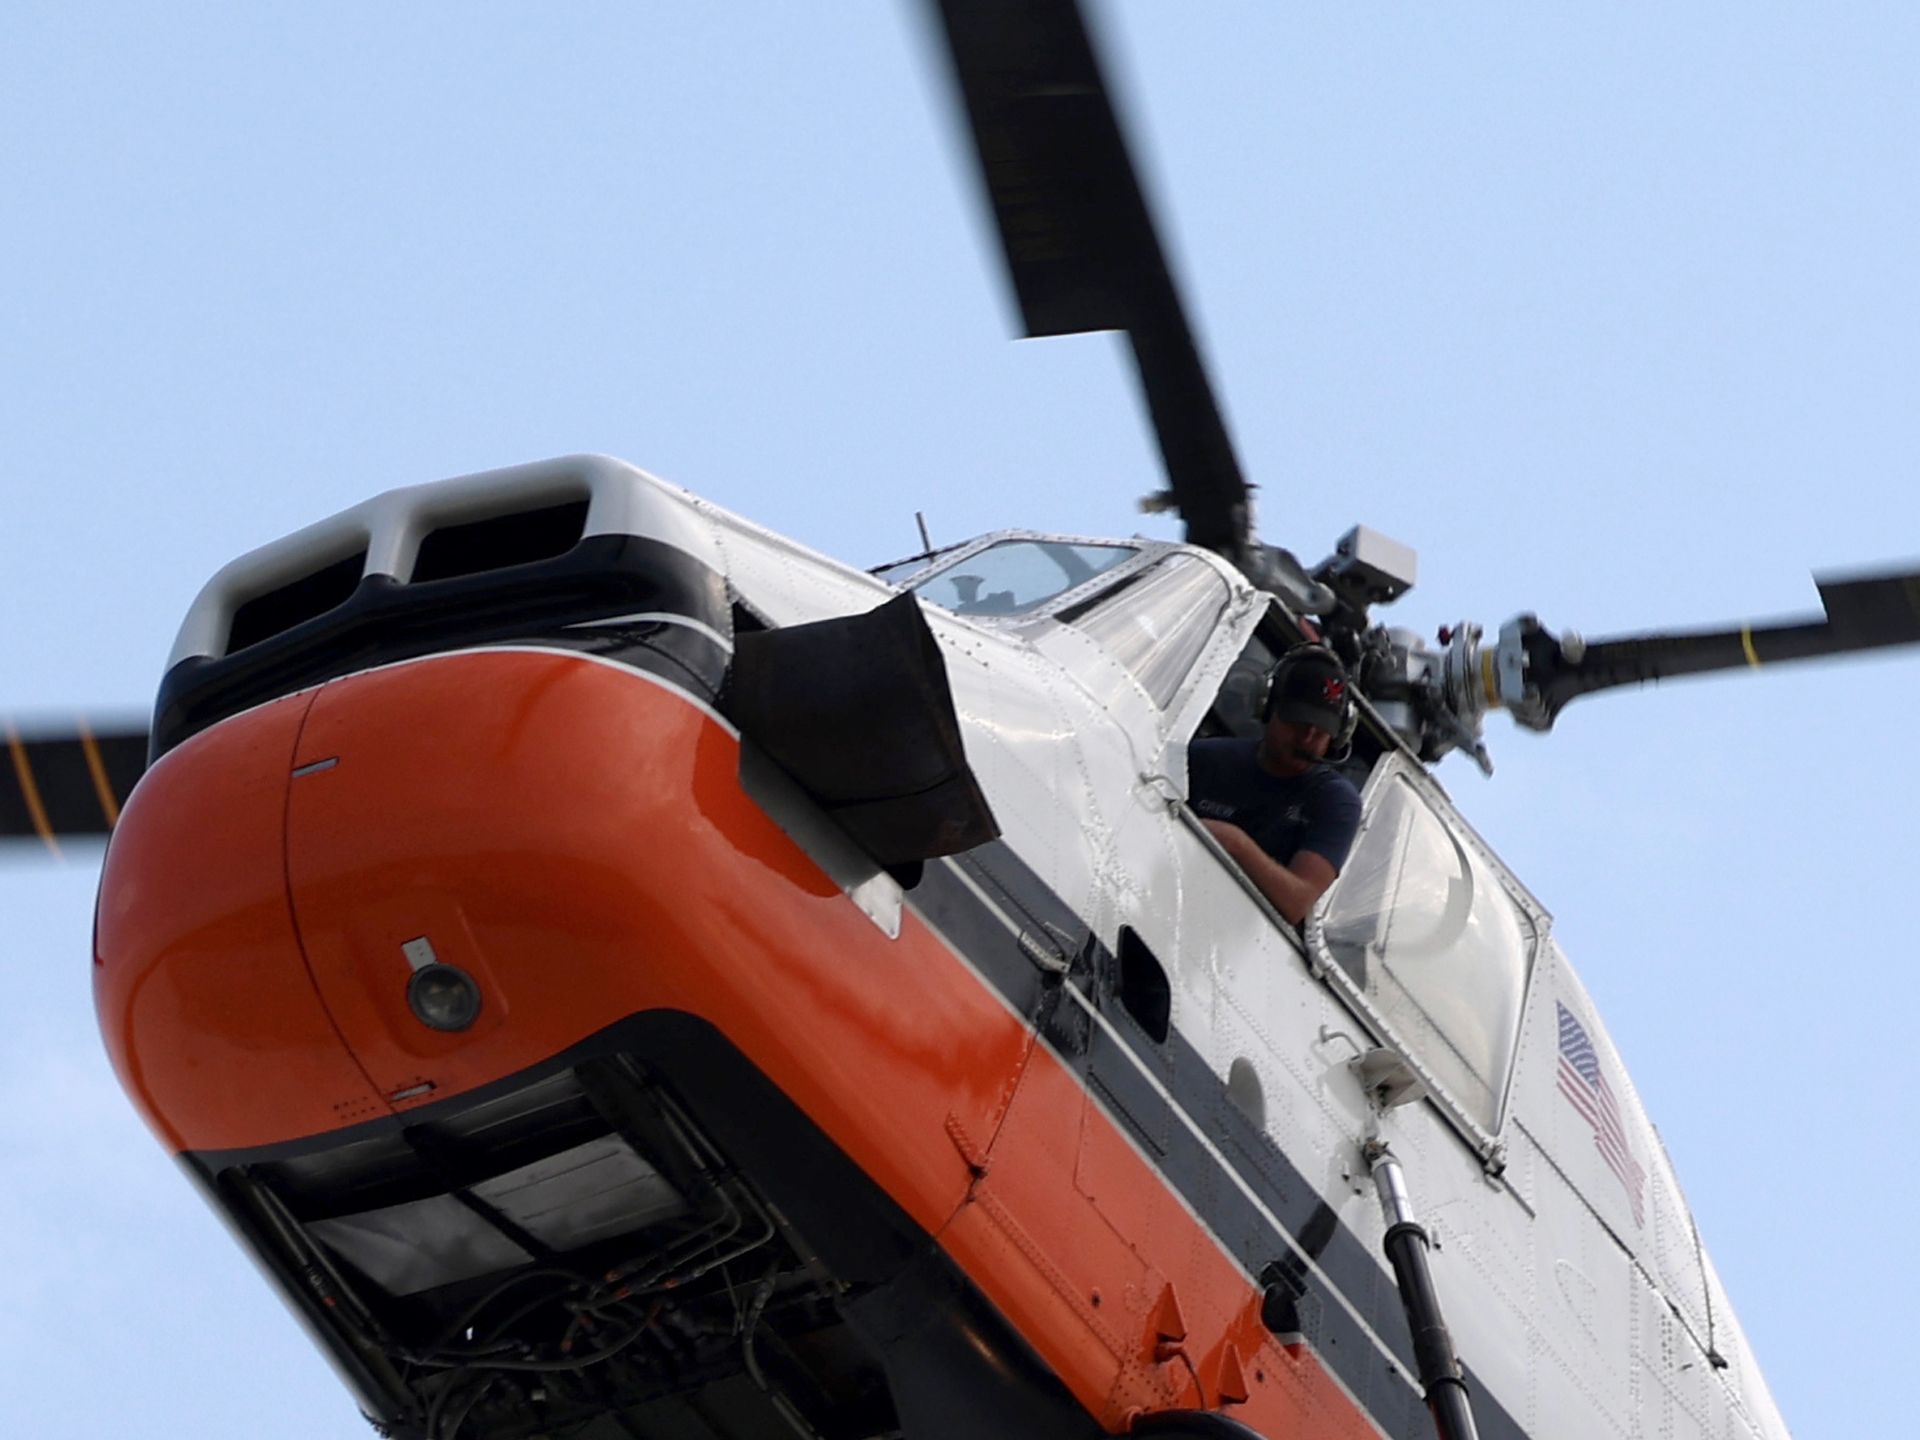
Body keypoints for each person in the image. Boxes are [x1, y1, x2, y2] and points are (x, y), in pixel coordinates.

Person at [1188, 645, 1363, 924]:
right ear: (1268, 706)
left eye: (1320, 733)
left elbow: (1297, 903)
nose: (1307, 740)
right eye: (1299, 724)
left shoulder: (1335, 802)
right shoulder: (1204, 758)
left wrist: (1235, 844)